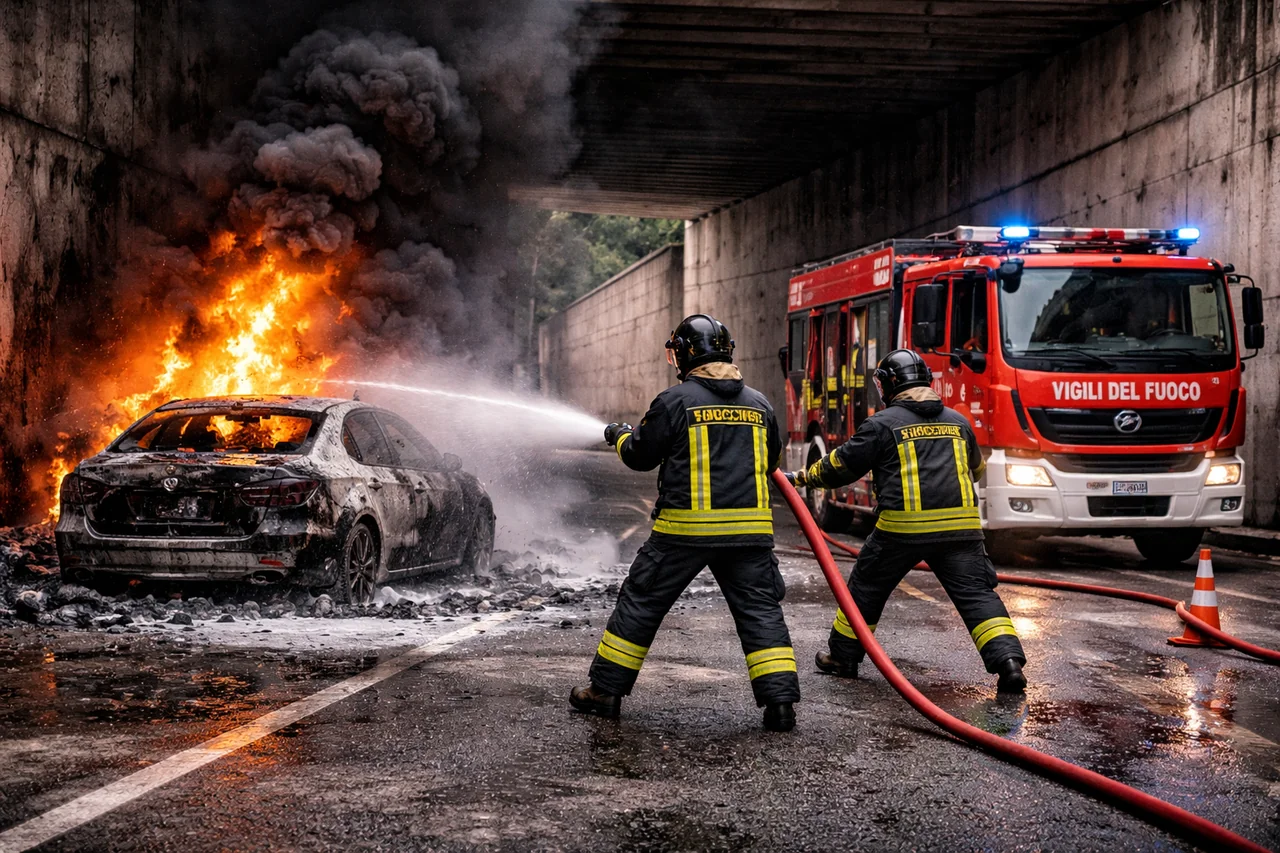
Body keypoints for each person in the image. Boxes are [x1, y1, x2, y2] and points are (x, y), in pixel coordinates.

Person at [570, 314, 801, 731]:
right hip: (749, 535)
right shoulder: (760, 403)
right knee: (760, 611)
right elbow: (769, 462)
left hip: (683, 534)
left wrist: (619, 434)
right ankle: (780, 704)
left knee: (641, 603)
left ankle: (604, 691)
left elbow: (640, 456)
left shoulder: (674, 402)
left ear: (685, 354)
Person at [786, 349, 1028, 693]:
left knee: (866, 588)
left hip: (902, 531)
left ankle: (843, 657)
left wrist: (801, 478)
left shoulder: (881, 424)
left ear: (889, 385)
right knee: (978, 596)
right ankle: (1009, 663)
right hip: (961, 531)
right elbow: (977, 468)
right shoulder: (958, 422)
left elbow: (841, 466)